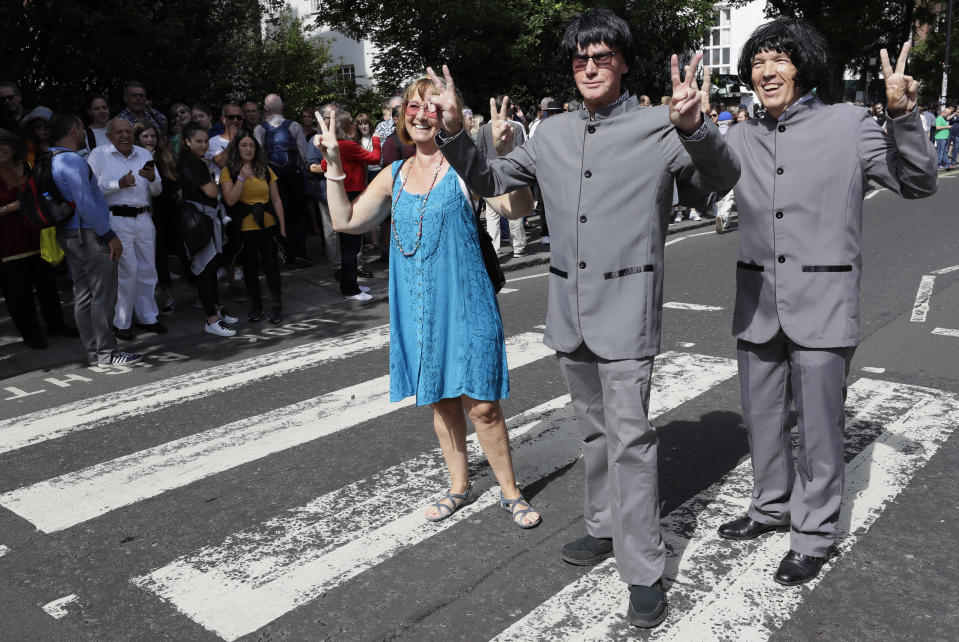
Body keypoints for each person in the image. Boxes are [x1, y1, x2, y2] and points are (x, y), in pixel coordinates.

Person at [427, 7, 739, 628]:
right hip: (569, 314)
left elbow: (717, 182)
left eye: (602, 57)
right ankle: (602, 526)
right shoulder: (554, 134)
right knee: (593, 433)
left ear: (622, 63)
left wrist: (697, 127)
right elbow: (492, 177)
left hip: (627, 313)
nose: (590, 67)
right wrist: (458, 130)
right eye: (580, 59)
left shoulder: (660, 125)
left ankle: (644, 568)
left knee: (631, 442)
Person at [716, 19, 937, 587]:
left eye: (780, 59)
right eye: (759, 61)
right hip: (757, 302)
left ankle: (813, 533)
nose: (767, 71)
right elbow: (694, 182)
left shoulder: (849, 124)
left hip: (824, 303)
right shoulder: (739, 134)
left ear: (804, 66)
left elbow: (917, 183)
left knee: (819, 428)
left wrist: (904, 116)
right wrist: (690, 128)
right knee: (762, 419)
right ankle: (769, 507)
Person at [312, 78, 542, 533]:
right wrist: (335, 164)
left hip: (468, 300)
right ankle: (459, 487)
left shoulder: (461, 166)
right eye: (412, 107)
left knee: (483, 406)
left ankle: (510, 492)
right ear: (402, 117)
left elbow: (517, 208)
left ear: (447, 114)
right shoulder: (394, 175)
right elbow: (346, 221)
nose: (420, 114)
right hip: (418, 304)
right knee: (440, 401)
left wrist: (504, 156)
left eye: (431, 107)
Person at [48, 111, 142, 366]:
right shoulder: (73, 161)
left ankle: (94, 352)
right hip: (88, 233)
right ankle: (107, 353)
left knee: (83, 294)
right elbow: (85, 203)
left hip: (68, 233)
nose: (83, 133)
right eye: (80, 129)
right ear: (73, 131)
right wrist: (108, 234)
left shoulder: (51, 159)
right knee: (102, 295)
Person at [87, 118, 166, 340]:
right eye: (119, 132)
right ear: (109, 135)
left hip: (144, 217)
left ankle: (148, 317)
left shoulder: (143, 153)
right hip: (117, 218)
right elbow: (91, 190)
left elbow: (157, 190)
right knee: (128, 271)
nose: (125, 136)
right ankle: (122, 323)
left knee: (148, 269)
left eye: (128, 132)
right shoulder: (98, 155)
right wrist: (117, 184)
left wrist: (152, 179)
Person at [0, 129, 77, 349]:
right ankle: (31, 333)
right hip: (8, 245)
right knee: (18, 293)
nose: (1, 148)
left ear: (14, 146)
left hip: (40, 239)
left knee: (48, 287)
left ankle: (57, 325)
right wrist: (12, 207)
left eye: (4, 143)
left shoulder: (28, 168)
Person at [177, 121, 238, 337]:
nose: (203, 145)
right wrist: (211, 178)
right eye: (198, 141)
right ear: (187, 142)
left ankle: (216, 308)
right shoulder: (192, 163)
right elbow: (212, 192)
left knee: (212, 267)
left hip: (206, 218)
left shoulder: (195, 161)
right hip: (198, 220)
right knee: (205, 269)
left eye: (205, 141)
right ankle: (211, 320)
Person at [220, 131, 286, 324]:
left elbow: (276, 200)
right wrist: (240, 178)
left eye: (251, 145)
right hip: (245, 228)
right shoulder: (229, 171)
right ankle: (256, 305)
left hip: (268, 225)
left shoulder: (265, 169)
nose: (248, 149)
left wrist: (282, 227)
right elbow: (230, 201)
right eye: (244, 145)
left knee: (271, 266)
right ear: (237, 148)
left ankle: (276, 305)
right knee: (250, 268)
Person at [317, 110, 380, 301]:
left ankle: (350, 284)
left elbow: (323, 165)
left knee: (349, 245)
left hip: (343, 194)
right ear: (346, 126)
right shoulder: (348, 146)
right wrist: (376, 140)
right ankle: (350, 289)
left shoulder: (339, 146)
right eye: (352, 122)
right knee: (352, 245)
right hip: (352, 194)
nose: (355, 125)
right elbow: (374, 158)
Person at [134, 121, 185, 316]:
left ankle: (199, 294)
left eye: (153, 136)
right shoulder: (135, 159)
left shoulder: (165, 155)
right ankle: (169, 297)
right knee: (159, 257)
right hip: (151, 214)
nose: (150, 140)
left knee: (183, 251)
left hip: (171, 210)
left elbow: (174, 178)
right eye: (145, 136)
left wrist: (180, 189)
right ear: (137, 138)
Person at [255, 94, 310, 265]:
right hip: (293, 176)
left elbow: (259, 155)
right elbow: (303, 153)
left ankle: (286, 252)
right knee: (298, 214)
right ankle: (301, 251)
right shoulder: (294, 126)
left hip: (272, 179)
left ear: (265, 109)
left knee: (279, 214)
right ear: (283, 108)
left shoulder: (259, 129)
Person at [476, 96, 527, 257]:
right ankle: (518, 247)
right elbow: (521, 151)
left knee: (492, 216)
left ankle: (495, 249)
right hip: (510, 173)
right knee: (514, 214)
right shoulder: (516, 127)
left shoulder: (483, 130)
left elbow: (480, 153)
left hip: (490, 175)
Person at [934, 105, 953, 169]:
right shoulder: (939, 118)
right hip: (940, 138)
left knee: (945, 151)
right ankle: (938, 164)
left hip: (944, 137)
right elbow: (937, 127)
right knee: (940, 151)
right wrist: (946, 127)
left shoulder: (944, 118)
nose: (948, 115)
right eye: (948, 114)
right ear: (944, 113)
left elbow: (948, 118)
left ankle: (947, 163)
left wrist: (955, 113)